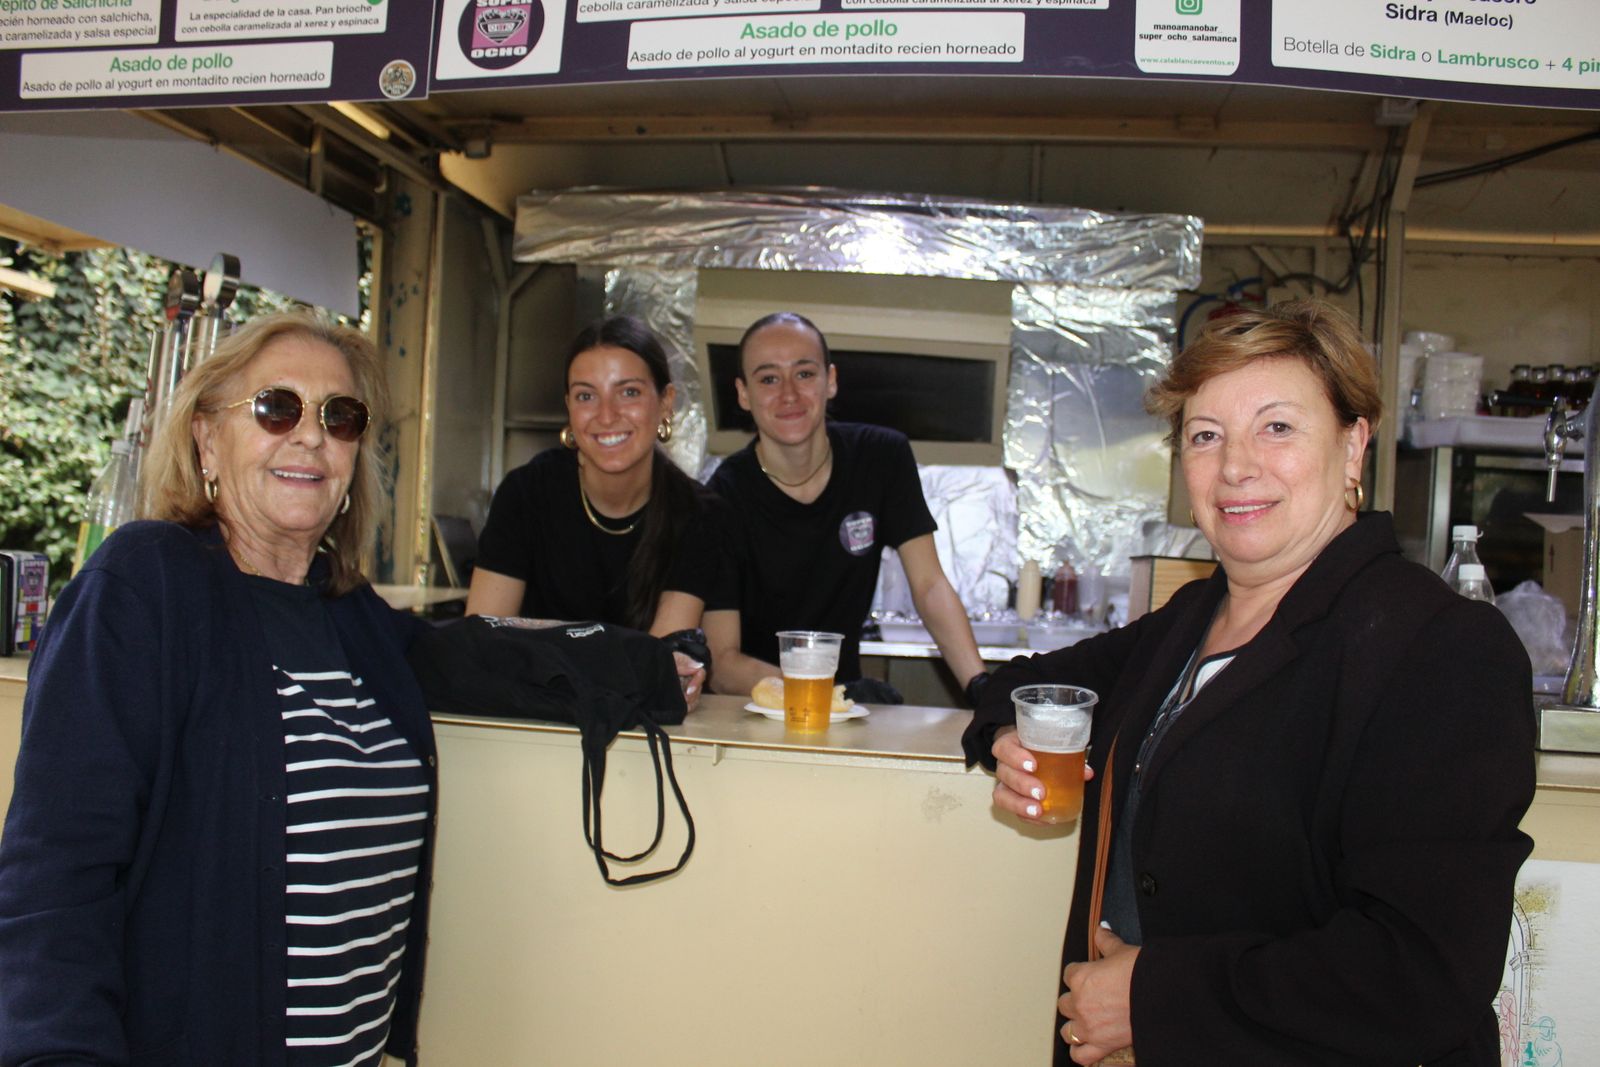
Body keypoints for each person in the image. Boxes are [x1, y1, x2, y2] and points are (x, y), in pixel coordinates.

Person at [964, 300, 1535, 1065]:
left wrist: (1154, 998)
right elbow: (1026, 683)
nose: (1236, 465)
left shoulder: (1439, 646)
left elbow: (1424, 970)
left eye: (1277, 427)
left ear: (1354, 444)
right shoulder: (1192, 618)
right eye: (1206, 436)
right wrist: (1009, 737)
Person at [0, 311, 437, 1065]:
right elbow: (56, 875)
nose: (311, 436)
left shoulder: (352, 615)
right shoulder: (144, 586)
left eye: (341, 416)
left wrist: (647, 663)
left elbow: (475, 656)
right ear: (207, 437)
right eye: (277, 407)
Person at [706, 311, 986, 704]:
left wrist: (982, 689)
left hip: (843, 704)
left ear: (830, 380)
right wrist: (824, 695)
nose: (789, 393)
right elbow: (722, 665)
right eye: (768, 379)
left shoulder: (881, 457)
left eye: (804, 374)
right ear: (743, 394)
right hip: (753, 708)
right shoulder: (722, 496)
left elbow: (930, 586)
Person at [466, 315, 732, 708]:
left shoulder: (697, 514)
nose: (606, 415)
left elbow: (655, 666)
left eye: (628, 393)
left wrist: (546, 647)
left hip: (642, 736)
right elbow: (482, 641)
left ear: (666, 404)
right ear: (569, 410)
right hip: (533, 722)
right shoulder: (527, 494)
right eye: (586, 396)